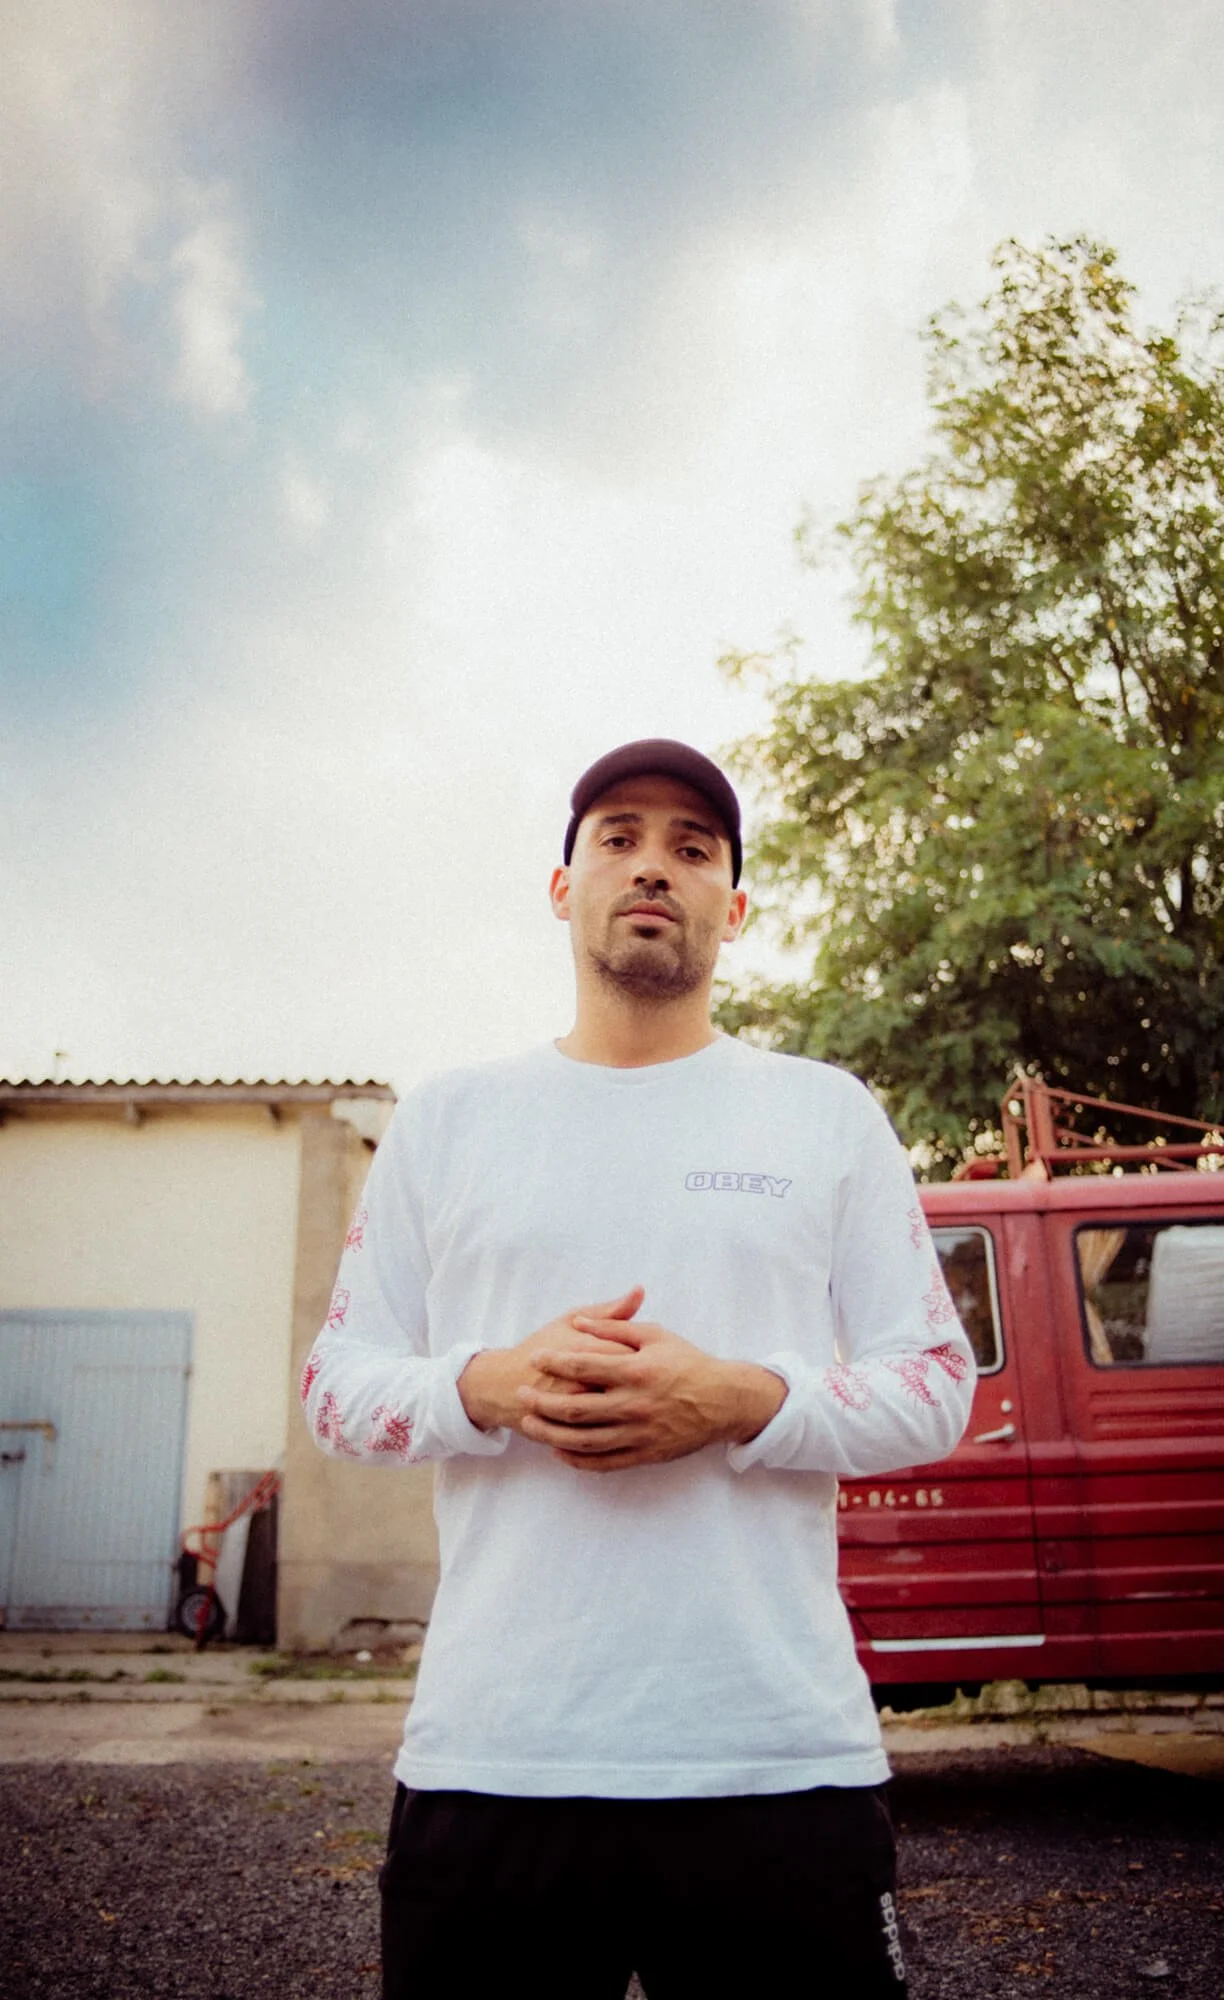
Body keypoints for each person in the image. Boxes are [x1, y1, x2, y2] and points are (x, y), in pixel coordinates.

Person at [302, 738, 976, 1999]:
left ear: (736, 901)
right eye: (617, 836)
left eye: (692, 845)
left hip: (774, 1764)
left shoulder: (824, 1113)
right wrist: (488, 1385)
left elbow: (937, 1381)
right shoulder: (449, 1120)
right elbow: (338, 1383)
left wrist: (741, 1399)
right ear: (562, 885)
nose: (652, 865)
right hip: (495, 1763)